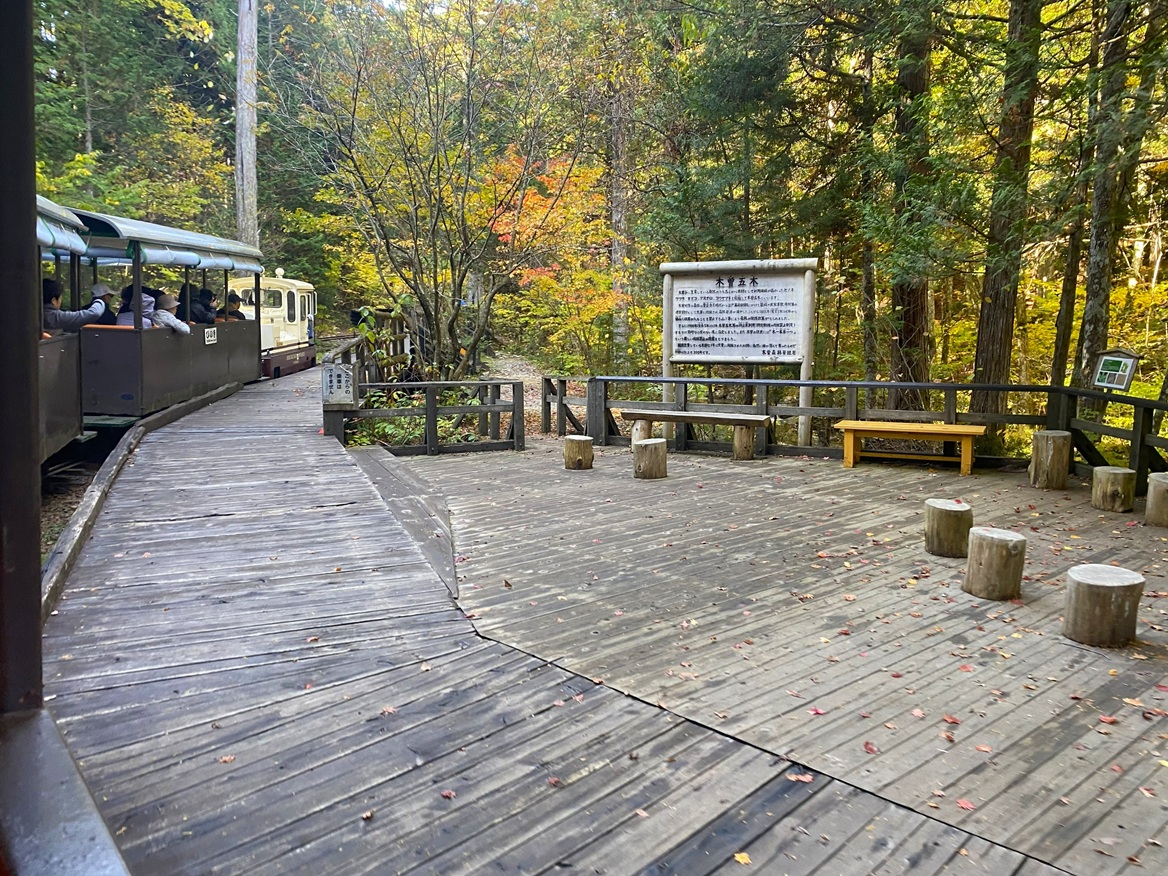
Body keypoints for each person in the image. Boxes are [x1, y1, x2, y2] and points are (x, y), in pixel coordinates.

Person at [42, 279, 113, 332]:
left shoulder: (35, 315)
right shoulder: (54, 316)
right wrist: (100, 300)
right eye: (60, 298)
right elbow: (94, 313)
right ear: (54, 301)